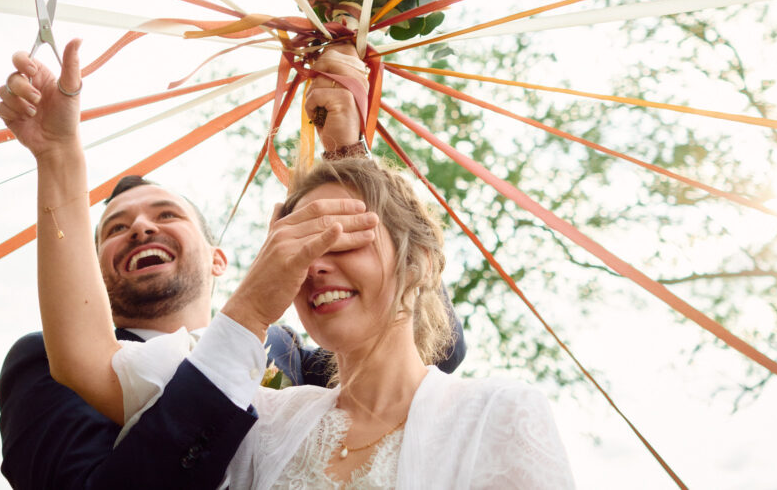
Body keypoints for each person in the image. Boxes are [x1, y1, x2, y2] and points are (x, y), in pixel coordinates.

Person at [0, 38, 466, 489]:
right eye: (115, 228)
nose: (140, 228)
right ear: (92, 274)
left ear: (218, 259)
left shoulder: (285, 349)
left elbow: (433, 350)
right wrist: (57, 155)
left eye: (167, 215)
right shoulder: (45, 360)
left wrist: (347, 151)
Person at [54, 158, 575, 488]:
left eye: (342, 237)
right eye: (299, 246)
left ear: (417, 262)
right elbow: (84, 360)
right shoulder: (265, 423)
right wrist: (57, 153)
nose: (316, 263)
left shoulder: (498, 414)